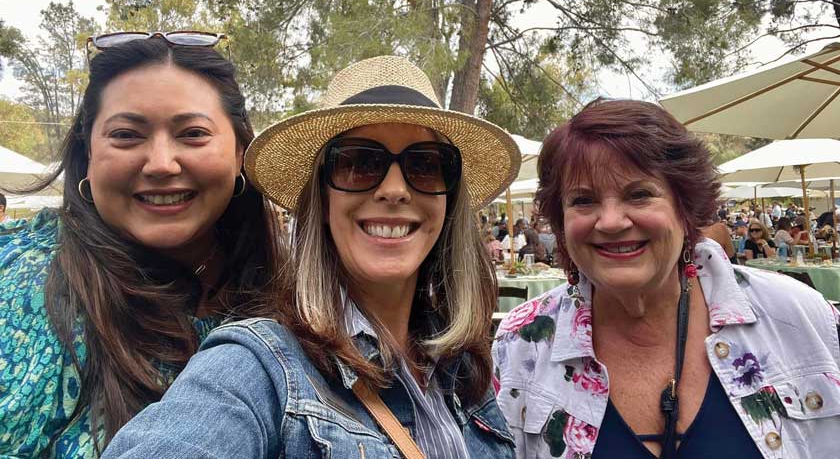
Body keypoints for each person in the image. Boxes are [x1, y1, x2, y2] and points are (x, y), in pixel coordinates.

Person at [102, 55, 519, 457]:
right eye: (359, 162)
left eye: (425, 165)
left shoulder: (463, 367)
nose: (395, 190)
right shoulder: (258, 368)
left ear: (449, 198)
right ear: (321, 197)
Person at [493, 99, 840, 458]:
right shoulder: (519, 346)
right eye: (583, 200)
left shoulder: (802, 319)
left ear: (684, 207)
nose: (610, 222)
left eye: (639, 194)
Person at [0, 34, 282, 457]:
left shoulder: (289, 291)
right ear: (87, 153)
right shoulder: (23, 283)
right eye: (127, 135)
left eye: (193, 133)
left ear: (240, 151)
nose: (161, 164)